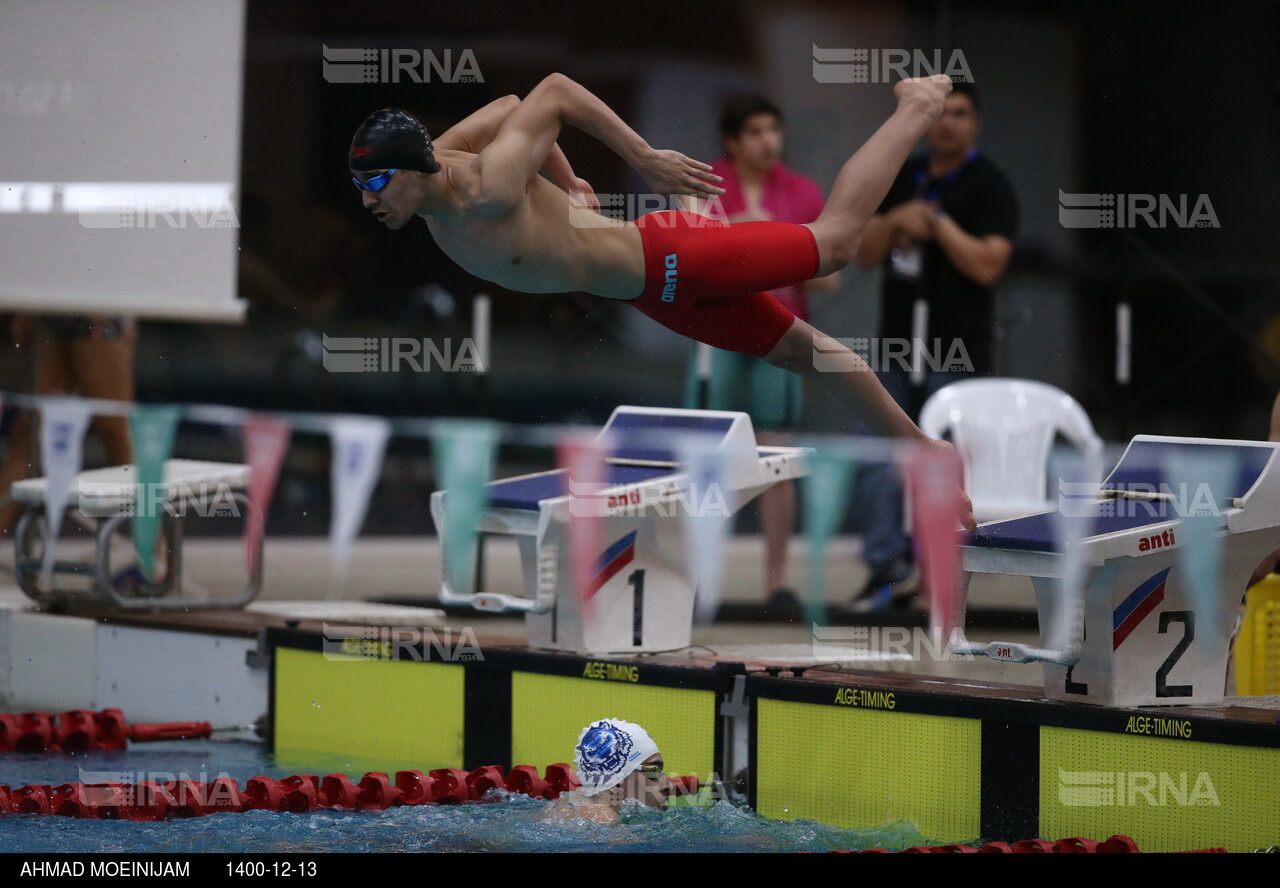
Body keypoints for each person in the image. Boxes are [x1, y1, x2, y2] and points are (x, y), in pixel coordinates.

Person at [349, 72, 975, 532]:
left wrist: (644, 159)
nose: (369, 200)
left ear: (413, 166)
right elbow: (514, 106)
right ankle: (929, 454)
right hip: (657, 295)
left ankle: (917, 105)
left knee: (835, 244)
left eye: (376, 183)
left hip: (670, 256)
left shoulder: (488, 187)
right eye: (360, 186)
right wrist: (570, 183)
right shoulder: (448, 160)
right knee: (802, 354)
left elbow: (556, 91)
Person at [851, 80, 1017, 605]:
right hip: (898, 347)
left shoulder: (990, 186)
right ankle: (885, 570)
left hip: (958, 352)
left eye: (960, 114)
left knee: (948, 461)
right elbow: (865, 252)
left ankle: (944, 573)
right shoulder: (904, 175)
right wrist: (898, 219)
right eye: (940, 114)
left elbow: (989, 264)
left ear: (977, 123)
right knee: (880, 453)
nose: (947, 123)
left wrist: (938, 223)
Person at [684, 94, 838, 614]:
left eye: (774, 129)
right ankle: (696, 577)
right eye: (755, 131)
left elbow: (831, 280)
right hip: (717, 337)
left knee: (777, 458)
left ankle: (777, 584)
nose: (768, 140)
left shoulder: (801, 193)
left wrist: (773, 247)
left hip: (779, 336)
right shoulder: (702, 187)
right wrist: (738, 238)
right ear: (732, 141)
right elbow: (682, 267)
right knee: (705, 460)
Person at [541, 718, 670, 824]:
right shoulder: (604, 818)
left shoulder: (564, 805)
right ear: (616, 780)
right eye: (654, 770)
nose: (668, 785)